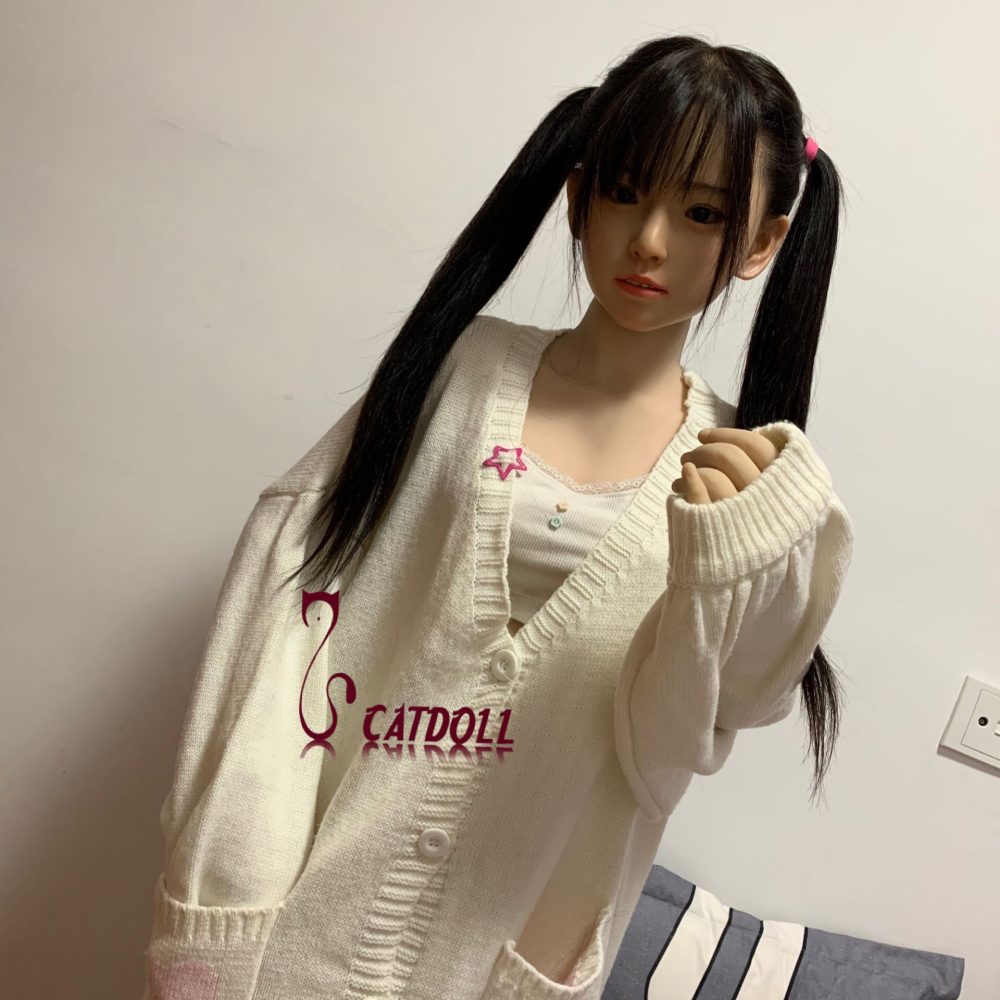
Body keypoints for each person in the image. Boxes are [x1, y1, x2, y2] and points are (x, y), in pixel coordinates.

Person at [140, 34, 853, 1000]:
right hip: (301, 938)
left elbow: (668, 752)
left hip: (500, 968)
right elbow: (282, 634)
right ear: (577, 195)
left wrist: (722, 569)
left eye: (702, 213)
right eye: (624, 191)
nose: (650, 240)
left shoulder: (749, 493)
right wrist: (222, 908)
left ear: (762, 243)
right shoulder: (457, 373)